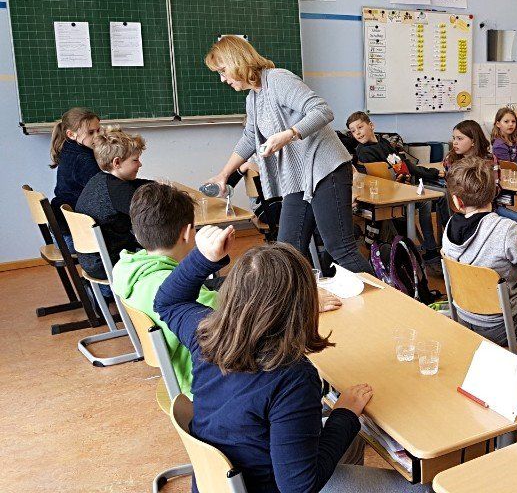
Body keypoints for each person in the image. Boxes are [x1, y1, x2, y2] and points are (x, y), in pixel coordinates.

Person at [154, 225, 427, 493]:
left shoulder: (206, 334)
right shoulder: (292, 377)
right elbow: (299, 485)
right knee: (424, 488)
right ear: (303, 307)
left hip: (217, 484)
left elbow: (168, 301)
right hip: (270, 485)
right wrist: (343, 413)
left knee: (351, 437)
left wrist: (204, 258)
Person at [203, 36, 371, 273]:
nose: (222, 79)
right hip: (299, 179)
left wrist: (289, 134)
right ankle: (298, 296)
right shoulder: (253, 99)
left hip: (326, 169)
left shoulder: (278, 80)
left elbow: (322, 110)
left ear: (236, 62)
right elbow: (249, 138)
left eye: (222, 71)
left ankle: (386, 297)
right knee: (287, 250)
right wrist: (223, 175)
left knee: (340, 248)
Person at [441, 157, 517, 346]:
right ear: (495, 192)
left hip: (464, 316)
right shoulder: (504, 229)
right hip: (503, 323)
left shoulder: (449, 227)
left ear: (457, 201)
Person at [111, 183, 216, 398]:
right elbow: (230, 314)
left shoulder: (125, 268)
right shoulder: (171, 287)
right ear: (187, 234)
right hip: (201, 383)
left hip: (175, 376)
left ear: (138, 234)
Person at [345, 111, 441, 268]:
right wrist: (403, 174)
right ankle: (428, 250)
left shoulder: (383, 143)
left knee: (430, 196)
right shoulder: (364, 151)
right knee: (426, 201)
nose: (358, 133)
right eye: (353, 131)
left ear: (371, 125)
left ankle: (427, 248)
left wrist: (409, 174)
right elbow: (388, 175)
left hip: (400, 187)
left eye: (360, 127)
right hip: (389, 195)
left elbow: (401, 166)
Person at [74, 127, 149, 284]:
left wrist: (157, 185)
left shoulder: (99, 179)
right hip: (109, 262)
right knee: (165, 249)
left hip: (92, 259)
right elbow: (150, 214)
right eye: (135, 160)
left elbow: (136, 184)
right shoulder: (118, 190)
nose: (140, 164)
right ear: (117, 162)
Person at [442, 120, 517, 233]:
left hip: (491, 208)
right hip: (463, 211)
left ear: (473, 141)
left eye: (460, 139)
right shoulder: (450, 160)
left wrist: (482, 200)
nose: (455, 143)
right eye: (454, 138)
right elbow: (453, 191)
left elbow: (496, 188)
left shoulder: (489, 159)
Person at [50, 107, 102, 240]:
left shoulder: (68, 148)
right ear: (71, 134)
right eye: (91, 132)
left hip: (61, 228)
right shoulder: (82, 159)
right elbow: (102, 187)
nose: (97, 136)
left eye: (98, 130)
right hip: (73, 235)